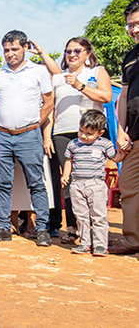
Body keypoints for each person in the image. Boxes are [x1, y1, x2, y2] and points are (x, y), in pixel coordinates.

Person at [0, 30, 54, 247]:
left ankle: (42, 228)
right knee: (3, 184)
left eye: (15, 49)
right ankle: (4, 227)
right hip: (1, 135)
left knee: (36, 183)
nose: (10, 54)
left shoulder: (39, 72)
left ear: (25, 48)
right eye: (6, 50)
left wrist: (33, 124)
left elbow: (49, 103)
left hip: (29, 135)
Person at [43, 37, 112, 242]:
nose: (72, 54)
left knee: (92, 180)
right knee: (69, 182)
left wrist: (80, 86)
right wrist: (48, 136)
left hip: (93, 135)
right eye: (68, 51)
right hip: (62, 134)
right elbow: (50, 111)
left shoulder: (96, 72)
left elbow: (106, 96)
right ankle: (74, 227)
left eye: (77, 50)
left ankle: (97, 231)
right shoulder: (59, 78)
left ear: (88, 53)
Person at [61, 110, 126, 256]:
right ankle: (85, 243)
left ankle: (100, 245)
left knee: (99, 216)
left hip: (96, 185)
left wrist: (122, 153)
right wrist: (65, 175)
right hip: (77, 184)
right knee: (81, 216)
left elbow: (114, 158)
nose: (83, 136)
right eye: (81, 131)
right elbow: (69, 161)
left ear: (100, 133)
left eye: (89, 133)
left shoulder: (105, 144)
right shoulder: (73, 144)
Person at [110, 0, 139, 255]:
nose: (135, 29)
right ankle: (133, 240)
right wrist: (121, 129)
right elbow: (124, 98)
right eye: (131, 25)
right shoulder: (130, 57)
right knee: (129, 186)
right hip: (135, 136)